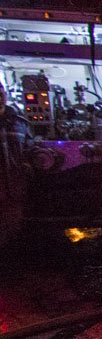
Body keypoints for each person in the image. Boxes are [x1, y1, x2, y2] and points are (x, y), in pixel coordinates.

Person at [0, 84, 33, 246]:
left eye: (1, 95)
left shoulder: (19, 123)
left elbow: (28, 148)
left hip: (13, 189)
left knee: (13, 230)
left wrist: (26, 167)